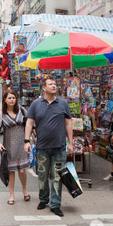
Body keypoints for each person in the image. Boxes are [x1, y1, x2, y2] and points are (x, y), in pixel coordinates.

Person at [24, 76, 73, 217]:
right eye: (50, 84)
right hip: (42, 148)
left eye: (55, 84)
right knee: (42, 176)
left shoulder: (63, 104)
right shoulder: (35, 104)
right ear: (44, 88)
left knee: (57, 177)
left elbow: (68, 123)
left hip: (59, 148)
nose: (54, 86)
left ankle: (55, 204)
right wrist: (26, 141)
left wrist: (70, 142)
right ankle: (43, 199)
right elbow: (29, 123)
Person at [0, 90, 31, 204]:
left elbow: (30, 123)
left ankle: (24, 190)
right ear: (5, 100)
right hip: (9, 146)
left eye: (14, 98)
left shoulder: (21, 109)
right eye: (9, 98)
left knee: (22, 170)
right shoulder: (1, 114)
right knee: (11, 171)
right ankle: (11, 195)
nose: (12, 100)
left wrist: (30, 139)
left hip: (22, 144)